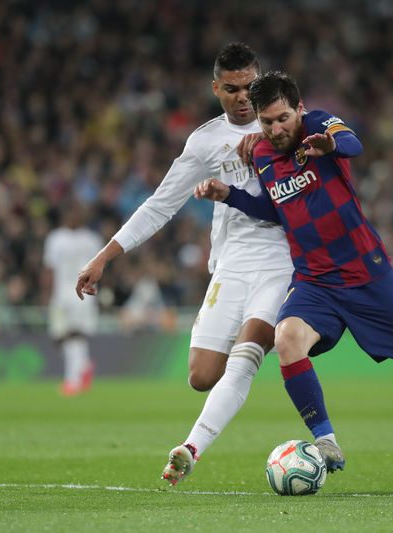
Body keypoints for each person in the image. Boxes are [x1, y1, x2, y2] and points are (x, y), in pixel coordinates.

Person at [194, 71, 393, 489]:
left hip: (366, 271)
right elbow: (279, 210)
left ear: (298, 109)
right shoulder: (260, 154)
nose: (276, 129)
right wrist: (230, 196)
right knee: (287, 338)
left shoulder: (319, 126)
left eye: (282, 118)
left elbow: (354, 143)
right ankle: (326, 442)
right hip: (314, 278)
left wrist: (330, 146)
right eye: (267, 121)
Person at [74, 43, 295, 485]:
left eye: (250, 87)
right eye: (232, 88)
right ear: (216, 88)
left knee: (246, 356)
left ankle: (190, 448)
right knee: (201, 375)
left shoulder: (284, 124)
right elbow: (160, 205)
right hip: (231, 263)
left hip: (281, 259)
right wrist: (104, 257)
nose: (243, 97)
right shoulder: (205, 142)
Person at [43, 200, 104, 396]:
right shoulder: (55, 238)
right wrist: (47, 292)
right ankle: (84, 365)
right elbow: (50, 269)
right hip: (61, 293)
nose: (74, 217)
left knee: (76, 334)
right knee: (59, 336)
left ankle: (72, 381)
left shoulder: (92, 239)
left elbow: (101, 268)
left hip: (84, 293)